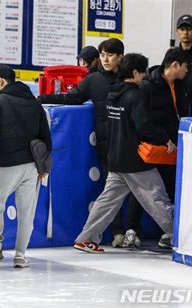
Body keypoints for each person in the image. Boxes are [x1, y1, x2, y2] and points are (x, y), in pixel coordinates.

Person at [39, 38, 137, 247]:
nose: (105, 59)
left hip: (130, 141)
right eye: (102, 55)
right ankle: (118, 231)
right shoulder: (94, 80)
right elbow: (72, 98)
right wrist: (42, 98)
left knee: (139, 186)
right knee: (112, 188)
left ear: (120, 57)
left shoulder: (129, 78)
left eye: (110, 55)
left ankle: (131, 229)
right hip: (108, 143)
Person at [73, 53, 175, 253]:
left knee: (107, 201)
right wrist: (165, 139)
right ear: (135, 72)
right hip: (136, 161)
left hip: (116, 158)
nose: (144, 76)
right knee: (157, 198)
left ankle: (85, 238)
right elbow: (144, 126)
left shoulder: (112, 95)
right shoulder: (135, 96)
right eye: (142, 72)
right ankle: (180, 237)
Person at [0, 65, 52, 268]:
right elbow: (46, 138)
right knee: (27, 212)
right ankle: (20, 255)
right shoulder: (35, 103)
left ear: (0, 81)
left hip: (7, 164)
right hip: (32, 166)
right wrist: (44, 168)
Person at [123, 48, 189, 249]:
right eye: (185, 66)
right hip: (153, 145)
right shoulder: (149, 86)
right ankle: (131, 229)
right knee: (143, 189)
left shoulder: (180, 85)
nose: (187, 71)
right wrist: (159, 137)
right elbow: (145, 118)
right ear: (175, 65)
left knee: (169, 187)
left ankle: (168, 233)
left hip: (171, 146)